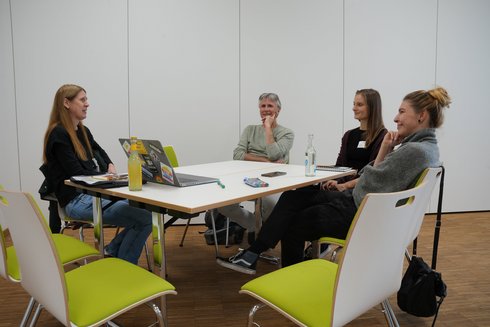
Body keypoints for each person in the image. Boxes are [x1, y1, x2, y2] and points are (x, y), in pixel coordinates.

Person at [217, 87, 451, 274]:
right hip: (358, 203)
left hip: (358, 210)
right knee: (294, 195)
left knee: (294, 222)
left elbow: (367, 183)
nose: (396, 118)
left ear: (421, 116)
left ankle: (285, 275)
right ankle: (254, 253)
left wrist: (366, 168)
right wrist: (384, 152)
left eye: (402, 111)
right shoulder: (421, 148)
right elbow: (370, 177)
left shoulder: (414, 151)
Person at [42, 84, 152, 265]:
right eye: (82, 100)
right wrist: (105, 177)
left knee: (145, 209)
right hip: (75, 200)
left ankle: (113, 250)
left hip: (91, 194)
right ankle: (123, 269)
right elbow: (77, 174)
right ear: (67, 103)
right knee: (145, 218)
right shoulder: (58, 134)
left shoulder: (83, 131)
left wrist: (109, 164)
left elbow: (99, 151)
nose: (87, 104)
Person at [216, 93, 294, 243]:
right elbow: (238, 154)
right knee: (224, 206)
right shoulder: (249, 129)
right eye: (262, 106)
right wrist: (265, 161)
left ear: (278, 110)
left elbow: (274, 153)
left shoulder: (287, 133)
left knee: (270, 205)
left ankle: (265, 236)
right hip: (246, 178)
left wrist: (268, 129)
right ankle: (255, 226)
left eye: (270, 106)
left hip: (275, 180)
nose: (265, 109)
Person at [322, 88, 387, 192]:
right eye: (354, 104)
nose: (354, 108)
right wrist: (331, 180)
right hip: (340, 185)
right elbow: (339, 166)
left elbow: (373, 174)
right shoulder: (348, 135)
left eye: (359, 105)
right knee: (296, 193)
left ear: (372, 108)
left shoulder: (383, 137)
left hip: (356, 190)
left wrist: (341, 184)